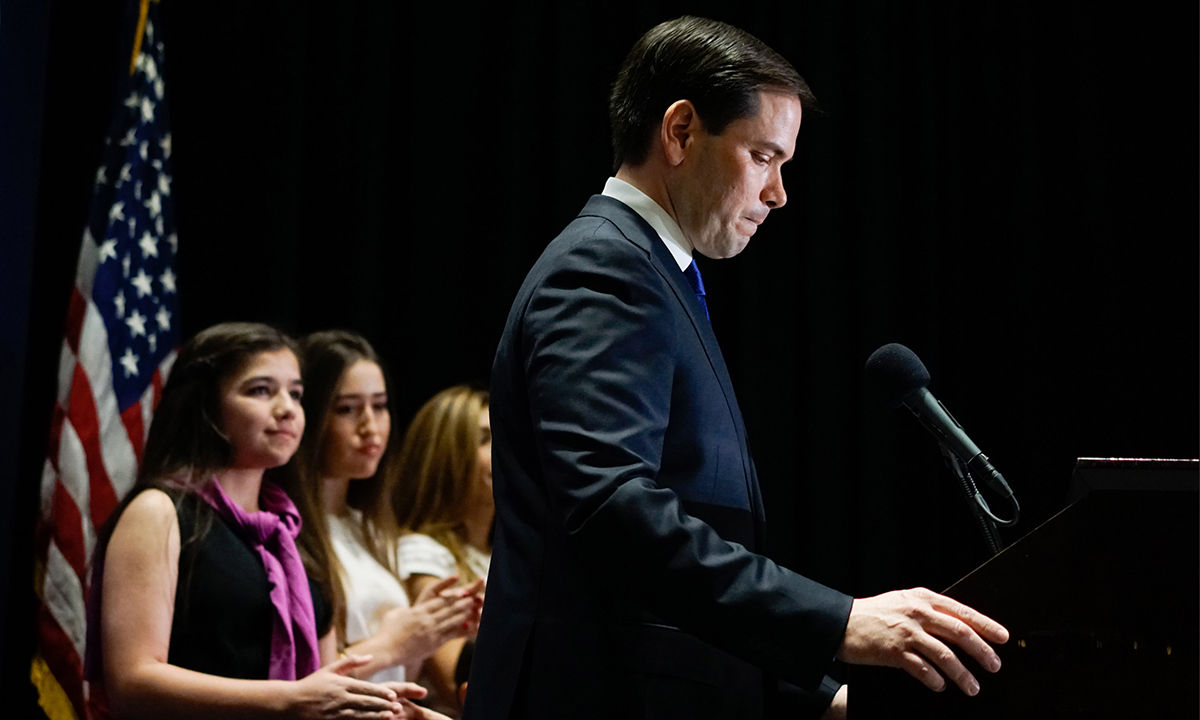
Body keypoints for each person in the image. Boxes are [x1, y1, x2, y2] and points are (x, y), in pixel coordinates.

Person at [464, 16, 1009, 720]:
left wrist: (823, 695)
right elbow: (610, 511)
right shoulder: (605, 271)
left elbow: (666, 585)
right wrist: (840, 622)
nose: (779, 193)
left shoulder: (652, 272)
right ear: (683, 131)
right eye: (763, 156)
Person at [86, 322, 433, 719]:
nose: (287, 408)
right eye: (261, 391)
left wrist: (373, 704)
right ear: (207, 407)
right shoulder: (160, 511)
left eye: (296, 394)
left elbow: (320, 683)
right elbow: (132, 681)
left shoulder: (291, 530)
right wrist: (292, 698)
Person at [281, 331, 483, 688]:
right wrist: (393, 644)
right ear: (309, 416)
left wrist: (434, 629)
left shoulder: (370, 529)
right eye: (347, 409)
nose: (370, 427)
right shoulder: (288, 530)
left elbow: (400, 672)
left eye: (379, 405)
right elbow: (302, 684)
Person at [392, 386, 494, 714]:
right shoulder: (422, 551)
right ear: (448, 455)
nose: (506, 449)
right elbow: (455, 680)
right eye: (484, 439)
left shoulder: (502, 553)